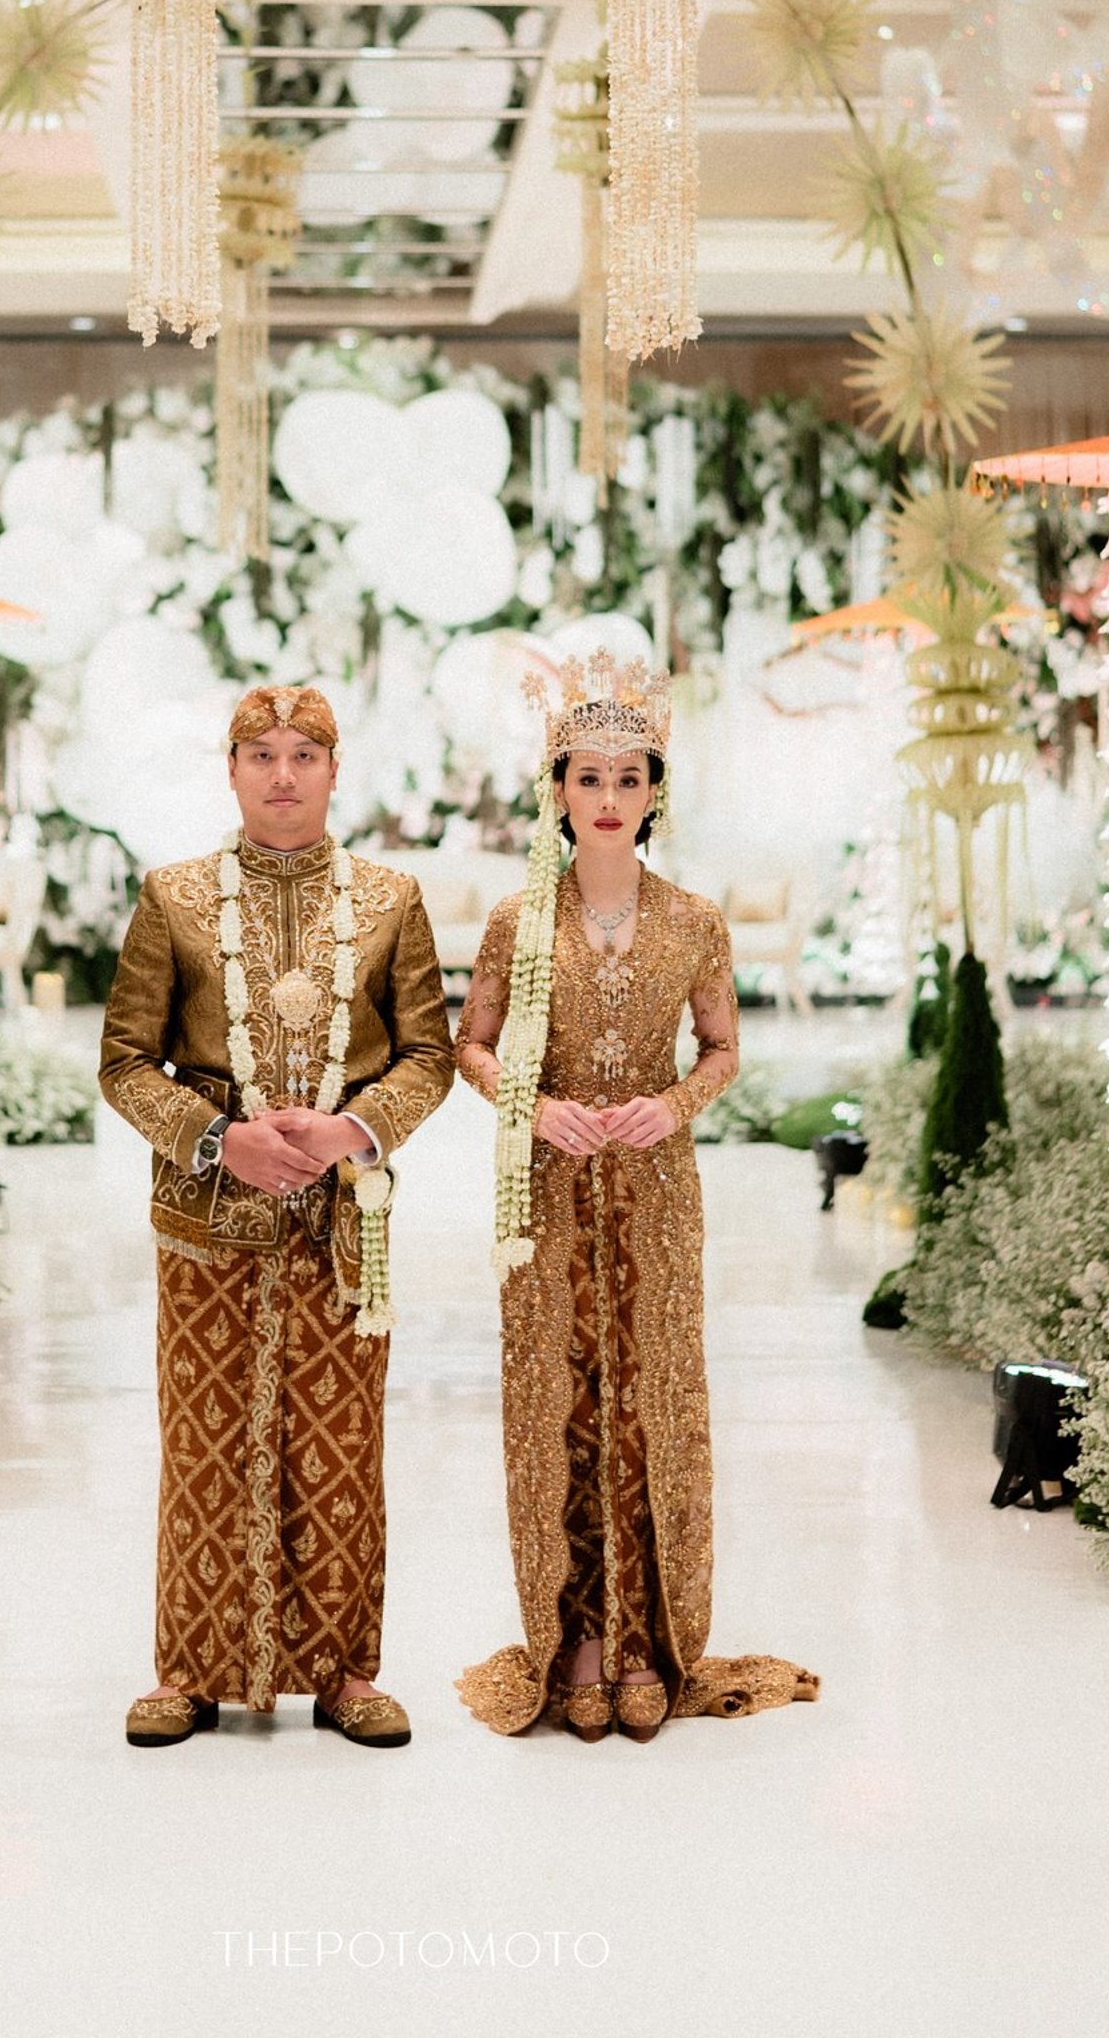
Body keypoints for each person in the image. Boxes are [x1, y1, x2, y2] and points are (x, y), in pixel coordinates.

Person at [453, 651, 819, 1745]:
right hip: (549, 1191)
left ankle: (649, 1637)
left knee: (651, 1400)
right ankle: (573, 1639)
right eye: (588, 776)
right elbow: (468, 1044)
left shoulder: (695, 920)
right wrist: (529, 1104)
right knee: (560, 1404)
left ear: (657, 790)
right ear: (556, 790)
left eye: (628, 777)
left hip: (656, 1194)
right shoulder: (518, 919)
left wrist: (674, 1104)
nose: (608, 799)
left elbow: (723, 1048)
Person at [99, 682, 454, 1749]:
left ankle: (346, 1671)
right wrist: (221, 1138)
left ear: (337, 772)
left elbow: (428, 1054)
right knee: (203, 1441)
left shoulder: (392, 899)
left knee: (344, 1448)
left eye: (306, 753)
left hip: (342, 1225)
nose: (285, 773)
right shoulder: (173, 898)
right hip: (210, 1222)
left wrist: (357, 1130)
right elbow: (125, 1062)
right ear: (233, 769)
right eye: (263, 753)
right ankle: (190, 1669)